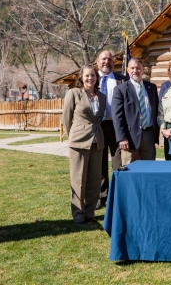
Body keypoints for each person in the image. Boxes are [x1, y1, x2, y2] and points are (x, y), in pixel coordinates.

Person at [63, 65, 106, 225]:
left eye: (93, 76)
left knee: (95, 180)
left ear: (97, 78)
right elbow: (66, 119)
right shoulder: (73, 93)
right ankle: (78, 215)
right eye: (87, 76)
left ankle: (89, 213)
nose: (90, 78)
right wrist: (73, 136)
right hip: (79, 142)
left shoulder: (101, 96)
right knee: (78, 180)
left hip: (97, 142)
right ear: (81, 77)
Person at [112, 58, 159, 164]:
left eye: (138, 68)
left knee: (149, 169)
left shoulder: (151, 87)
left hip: (149, 136)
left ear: (143, 70)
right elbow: (117, 116)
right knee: (129, 170)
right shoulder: (121, 89)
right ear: (128, 70)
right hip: (129, 138)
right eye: (132, 68)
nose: (135, 70)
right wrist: (121, 137)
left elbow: (155, 110)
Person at [96, 50, 126, 210]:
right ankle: (101, 196)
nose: (106, 61)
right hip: (98, 126)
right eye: (103, 59)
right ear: (98, 61)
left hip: (116, 127)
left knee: (118, 163)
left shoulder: (122, 80)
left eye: (109, 59)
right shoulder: (92, 79)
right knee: (99, 163)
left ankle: (117, 197)